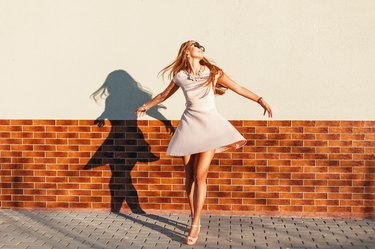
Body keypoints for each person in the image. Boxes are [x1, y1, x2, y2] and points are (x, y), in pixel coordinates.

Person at [135, 40, 272, 245]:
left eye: (201, 47)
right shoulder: (180, 76)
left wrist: (260, 100)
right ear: (187, 51)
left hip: (210, 127)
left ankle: (196, 223)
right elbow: (164, 95)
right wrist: (145, 106)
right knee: (189, 177)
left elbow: (238, 88)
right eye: (196, 46)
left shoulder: (214, 72)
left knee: (200, 175)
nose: (201, 49)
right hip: (189, 126)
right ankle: (193, 215)